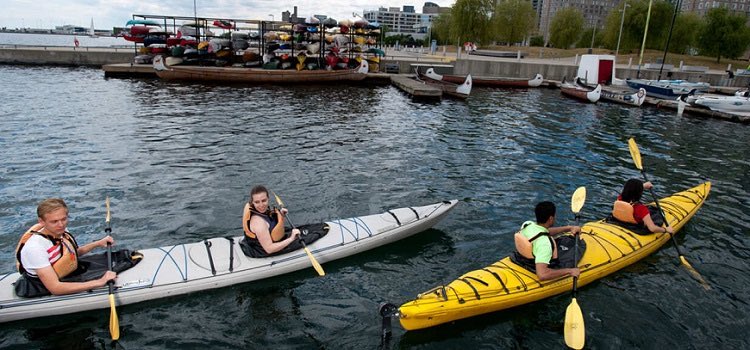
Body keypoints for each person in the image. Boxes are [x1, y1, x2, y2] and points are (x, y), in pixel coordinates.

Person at [15, 198, 117, 297]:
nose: (61, 225)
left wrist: (98, 243)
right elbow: (55, 288)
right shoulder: (35, 248)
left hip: (62, 274)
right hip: (40, 285)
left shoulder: (59, 231)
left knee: (118, 260)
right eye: (54, 221)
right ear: (41, 222)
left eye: (64, 219)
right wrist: (100, 282)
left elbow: (72, 253)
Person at [513, 201, 582, 281]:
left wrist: (569, 228)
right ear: (551, 218)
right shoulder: (545, 244)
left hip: (522, 259)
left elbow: (545, 232)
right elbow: (542, 275)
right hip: (537, 264)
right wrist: (570, 271)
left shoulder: (528, 224)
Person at [241, 185, 300, 256]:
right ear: (252, 202)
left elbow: (269, 221)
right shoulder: (258, 223)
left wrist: (281, 215)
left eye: (264, 200)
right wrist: (291, 239)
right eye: (257, 202)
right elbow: (269, 249)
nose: (261, 205)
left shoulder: (263, 210)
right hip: (263, 251)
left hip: (275, 240)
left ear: (268, 198)